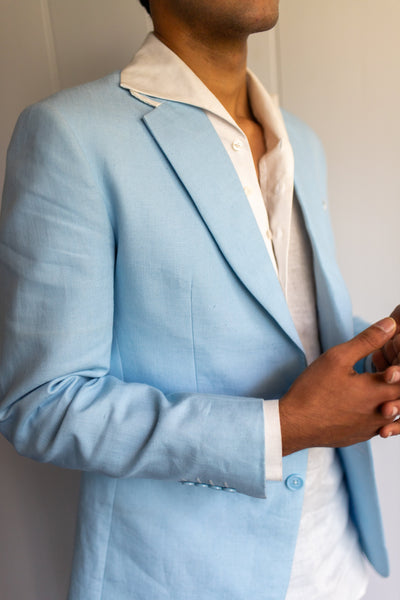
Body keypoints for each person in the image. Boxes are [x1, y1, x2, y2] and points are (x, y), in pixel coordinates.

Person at [0, 1, 399, 598]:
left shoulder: (302, 140)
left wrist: (379, 349)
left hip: (339, 555)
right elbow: (41, 404)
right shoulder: (71, 134)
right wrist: (283, 428)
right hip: (188, 576)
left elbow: (292, 322)